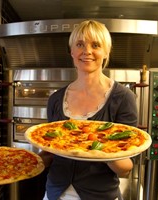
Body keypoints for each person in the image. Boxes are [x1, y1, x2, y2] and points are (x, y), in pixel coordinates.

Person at [40, 20, 138, 200]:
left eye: (96, 45)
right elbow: (49, 153)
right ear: (72, 51)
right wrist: (22, 163)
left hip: (100, 196)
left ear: (106, 51)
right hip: (54, 194)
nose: (87, 51)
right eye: (79, 44)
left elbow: (126, 168)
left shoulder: (123, 98)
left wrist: (97, 147)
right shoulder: (55, 99)